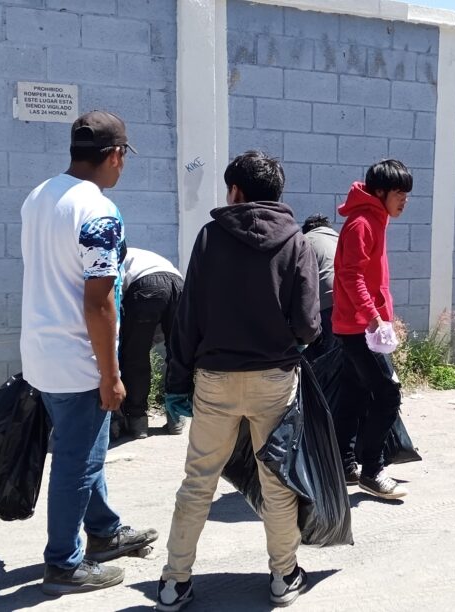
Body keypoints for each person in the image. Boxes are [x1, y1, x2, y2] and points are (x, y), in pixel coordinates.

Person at [157, 151, 320, 611]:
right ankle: (283, 575)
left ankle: (174, 583)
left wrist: (177, 381)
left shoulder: (211, 237)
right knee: (277, 479)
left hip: (215, 380)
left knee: (198, 481)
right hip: (274, 380)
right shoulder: (297, 242)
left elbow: (188, 316)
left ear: (236, 191)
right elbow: (309, 325)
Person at [19, 110, 157, 595]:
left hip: (41, 352)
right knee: (77, 462)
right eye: (124, 157)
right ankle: (63, 563)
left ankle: (103, 532)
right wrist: (110, 373)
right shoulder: (98, 212)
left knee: (82, 450)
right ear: (115, 154)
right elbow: (99, 302)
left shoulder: (39, 196)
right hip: (79, 359)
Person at [331, 159, 412, 500]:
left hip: (360, 325)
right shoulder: (362, 224)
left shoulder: (374, 220)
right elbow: (351, 276)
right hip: (360, 328)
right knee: (388, 393)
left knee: (356, 394)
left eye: (406, 193)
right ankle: (372, 470)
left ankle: (343, 464)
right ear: (380, 192)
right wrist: (374, 318)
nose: (405, 199)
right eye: (399, 193)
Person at [111, 247, 185, 440]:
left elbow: (113, 301)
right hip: (179, 284)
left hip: (146, 284)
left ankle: (138, 421)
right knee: (177, 354)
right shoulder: (139, 254)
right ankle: (176, 417)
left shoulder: (110, 255)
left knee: (136, 356)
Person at [302, 214, 339, 361]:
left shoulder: (306, 240)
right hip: (348, 304)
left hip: (325, 304)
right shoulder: (339, 238)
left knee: (317, 358)